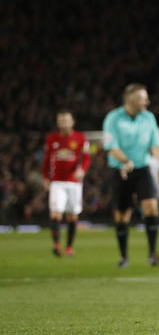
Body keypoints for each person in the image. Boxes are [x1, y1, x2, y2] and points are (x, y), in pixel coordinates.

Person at [102, 83, 159, 268]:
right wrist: (126, 161)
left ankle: (153, 254)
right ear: (130, 99)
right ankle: (123, 257)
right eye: (143, 99)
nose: (147, 102)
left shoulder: (149, 118)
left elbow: (156, 146)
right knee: (122, 214)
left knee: (151, 207)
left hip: (143, 168)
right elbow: (111, 147)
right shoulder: (113, 118)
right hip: (121, 170)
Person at [42, 110, 91, 257]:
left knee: (72, 217)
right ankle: (57, 245)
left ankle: (69, 247)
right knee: (55, 213)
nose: (63, 123)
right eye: (61, 120)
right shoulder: (52, 139)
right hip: (57, 182)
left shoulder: (81, 138)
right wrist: (45, 178)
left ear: (72, 122)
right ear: (58, 123)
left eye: (66, 120)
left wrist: (82, 170)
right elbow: (46, 160)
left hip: (74, 183)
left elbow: (86, 158)